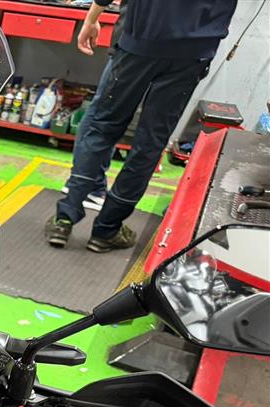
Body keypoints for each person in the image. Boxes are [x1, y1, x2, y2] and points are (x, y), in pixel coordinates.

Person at [46, 0, 239, 253]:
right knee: (150, 141)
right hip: (193, 49)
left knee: (102, 126)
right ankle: (107, 229)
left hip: (141, 39)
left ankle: (65, 217)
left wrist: (92, 18)